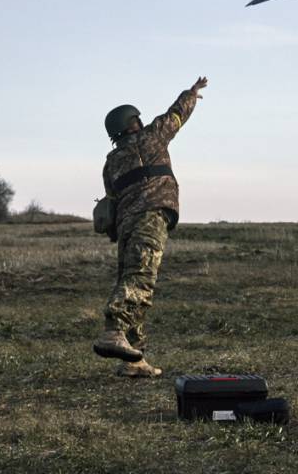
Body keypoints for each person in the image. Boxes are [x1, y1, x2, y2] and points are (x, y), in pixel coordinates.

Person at [92, 76, 207, 378]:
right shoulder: (152, 137)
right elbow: (177, 115)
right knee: (141, 277)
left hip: (126, 225)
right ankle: (114, 329)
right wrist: (192, 93)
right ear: (133, 123)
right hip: (151, 214)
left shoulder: (111, 162)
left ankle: (134, 358)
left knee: (130, 277)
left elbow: (111, 200)